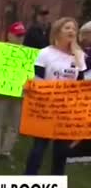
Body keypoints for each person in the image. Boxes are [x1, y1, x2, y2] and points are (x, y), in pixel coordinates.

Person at [24, 17, 86, 175]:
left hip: (66, 113)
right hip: (45, 109)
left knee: (61, 154)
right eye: (67, 28)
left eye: (74, 28)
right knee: (38, 150)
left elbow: (80, 84)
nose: (71, 31)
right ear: (57, 32)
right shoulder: (45, 53)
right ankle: (27, 182)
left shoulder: (79, 56)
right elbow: (38, 79)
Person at [0, 22, 27, 161]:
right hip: (1, 91)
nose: (20, 38)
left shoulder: (27, 54)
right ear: (9, 35)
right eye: (17, 35)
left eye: (22, 36)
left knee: (14, 124)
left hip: (18, 93)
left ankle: (6, 151)